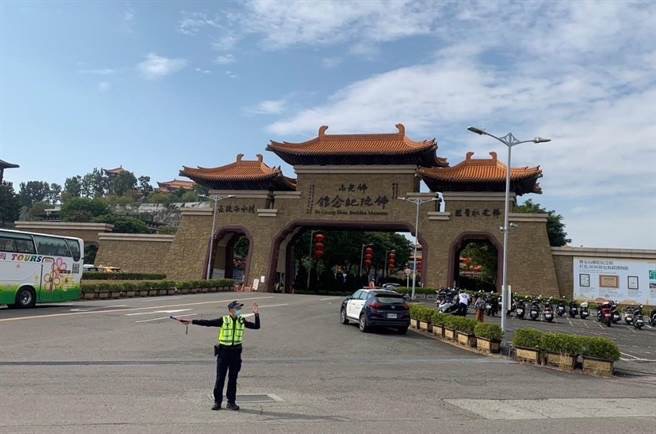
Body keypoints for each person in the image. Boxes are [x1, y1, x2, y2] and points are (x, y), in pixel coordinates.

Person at [178, 301, 260, 411]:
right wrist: (191, 321)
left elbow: (256, 326)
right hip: (224, 352)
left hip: (236, 352)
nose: (239, 310)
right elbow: (208, 323)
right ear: (230, 310)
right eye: (237, 308)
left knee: (233, 379)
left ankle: (231, 402)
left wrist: (256, 314)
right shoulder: (224, 320)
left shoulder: (241, 320)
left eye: (239, 308)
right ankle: (217, 402)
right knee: (220, 378)